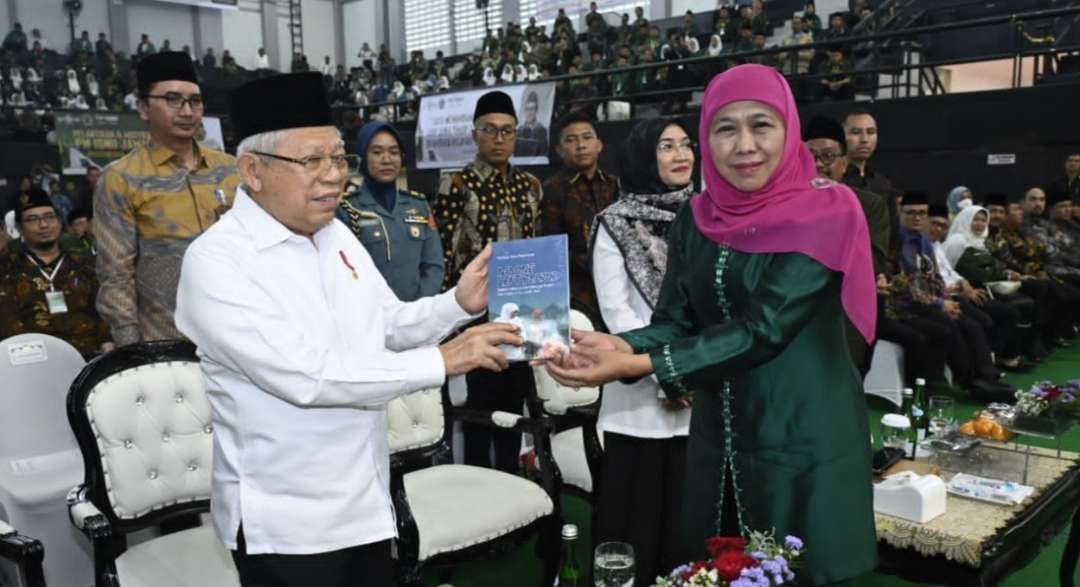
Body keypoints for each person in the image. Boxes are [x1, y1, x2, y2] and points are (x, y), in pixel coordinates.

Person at [174, 71, 520, 585]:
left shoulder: (334, 234)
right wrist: (442, 362)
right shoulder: (218, 262)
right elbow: (308, 377)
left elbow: (385, 323)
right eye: (312, 160)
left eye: (338, 158)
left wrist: (456, 305)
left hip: (367, 499)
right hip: (288, 523)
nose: (334, 176)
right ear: (253, 170)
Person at [546, 65, 877, 586]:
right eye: (725, 128)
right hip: (717, 432)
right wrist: (616, 343)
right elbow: (676, 319)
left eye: (761, 125)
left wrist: (638, 361)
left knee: (795, 566)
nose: (744, 144)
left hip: (799, 430)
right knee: (713, 565)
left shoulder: (827, 211)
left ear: (788, 129)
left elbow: (763, 326)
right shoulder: (699, 216)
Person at [589, 117, 694, 586]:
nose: (681, 154)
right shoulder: (614, 222)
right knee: (637, 516)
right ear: (643, 157)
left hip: (700, 386)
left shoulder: (708, 216)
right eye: (667, 146)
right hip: (639, 395)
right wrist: (667, 372)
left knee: (686, 517)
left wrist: (693, 367)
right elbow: (618, 315)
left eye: (686, 145)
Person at [95, 52, 242, 346]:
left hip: (238, 334)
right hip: (167, 339)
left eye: (195, 101)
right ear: (143, 108)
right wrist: (132, 349)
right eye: (173, 99)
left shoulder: (230, 170)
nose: (187, 111)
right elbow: (116, 275)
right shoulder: (122, 178)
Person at [433, 90, 542, 473]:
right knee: (479, 408)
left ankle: (511, 486)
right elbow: (444, 251)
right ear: (474, 134)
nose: (499, 139)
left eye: (507, 131)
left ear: (516, 135)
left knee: (514, 406)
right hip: (476, 317)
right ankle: (478, 492)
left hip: (522, 316)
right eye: (490, 130)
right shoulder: (456, 183)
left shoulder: (530, 185)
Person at [891, 192, 1012, 400]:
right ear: (899, 213)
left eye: (921, 213)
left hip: (928, 303)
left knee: (970, 324)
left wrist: (946, 300)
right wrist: (940, 304)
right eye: (910, 213)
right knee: (950, 325)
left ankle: (985, 378)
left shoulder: (925, 241)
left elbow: (935, 276)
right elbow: (905, 286)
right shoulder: (895, 243)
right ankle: (970, 384)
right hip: (903, 307)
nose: (917, 217)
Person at [804, 115, 890, 373]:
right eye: (810, 156)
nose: (818, 164)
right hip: (792, 319)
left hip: (846, 317)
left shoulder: (869, 206)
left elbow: (870, 263)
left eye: (828, 156)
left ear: (844, 162)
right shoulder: (784, 207)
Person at [336, 121, 444, 301]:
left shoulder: (418, 205)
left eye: (394, 152)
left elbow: (434, 265)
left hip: (419, 315)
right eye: (377, 152)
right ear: (363, 157)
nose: (387, 159)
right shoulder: (347, 210)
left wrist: (417, 310)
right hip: (371, 317)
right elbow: (346, 274)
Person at [0, 189, 112, 358]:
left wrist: (107, 340)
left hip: (89, 356)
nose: (43, 225)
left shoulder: (86, 262)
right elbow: (7, 320)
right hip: (31, 359)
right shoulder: (7, 268)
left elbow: (105, 307)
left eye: (49, 217)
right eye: (32, 219)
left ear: (60, 222)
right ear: (19, 228)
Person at [540, 110, 619, 326]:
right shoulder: (552, 191)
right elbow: (551, 248)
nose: (581, 145)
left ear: (599, 145)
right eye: (571, 140)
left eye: (587, 137)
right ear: (559, 150)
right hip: (576, 292)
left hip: (618, 284)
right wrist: (596, 265)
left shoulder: (616, 185)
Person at [941, 205, 1034, 371]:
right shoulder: (958, 241)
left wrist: (1006, 273)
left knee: (1016, 308)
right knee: (1007, 313)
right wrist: (1005, 276)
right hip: (962, 294)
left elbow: (990, 269)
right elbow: (971, 272)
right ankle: (989, 358)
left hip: (982, 290)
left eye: (983, 220)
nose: (979, 224)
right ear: (965, 220)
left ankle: (1005, 357)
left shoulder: (978, 242)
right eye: (975, 219)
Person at [515, 91, 549, 157]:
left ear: (536, 111)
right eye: (527, 109)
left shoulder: (542, 130)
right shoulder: (519, 130)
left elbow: (544, 153)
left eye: (532, 109)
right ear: (525, 111)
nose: (529, 112)